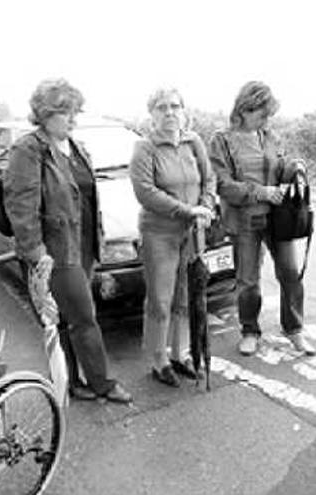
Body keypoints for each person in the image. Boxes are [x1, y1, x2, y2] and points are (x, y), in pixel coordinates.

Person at [4, 78, 132, 403]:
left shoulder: (76, 147)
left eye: (75, 111)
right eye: (66, 112)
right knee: (84, 318)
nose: (74, 119)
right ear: (45, 114)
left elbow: (88, 197)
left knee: (67, 317)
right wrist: (36, 252)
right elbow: (21, 206)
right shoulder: (28, 149)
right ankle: (103, 382)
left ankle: (73, 381)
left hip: (84, 244)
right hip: (56, 251)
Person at [208, 81, 315, 357]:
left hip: (278, 219)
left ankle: (294, 330)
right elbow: (222, 185)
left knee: (290, 273)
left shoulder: (269, 136)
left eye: (269, 115)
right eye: (262, 113)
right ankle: (250, 331)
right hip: (245, 220)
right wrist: (262, 192)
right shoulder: (222, 141)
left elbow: (282, 166)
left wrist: (295, 169)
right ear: (244, 108)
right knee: (248, 280)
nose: (266, 120)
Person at [129, 88, 217, 387]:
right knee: (160, 299)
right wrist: (187, 210)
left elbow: (209, 179)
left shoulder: (194, 142)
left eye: (175, 106)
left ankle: (180, 353)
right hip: (159, 233)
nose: (169, 112)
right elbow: (145, 191)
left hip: (193, 232)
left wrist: (205, 205)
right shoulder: (145, 147)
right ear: (152, 114)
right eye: (162, 107)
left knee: (185, 294)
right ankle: (158, 359)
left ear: (183, 110)